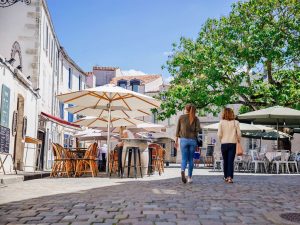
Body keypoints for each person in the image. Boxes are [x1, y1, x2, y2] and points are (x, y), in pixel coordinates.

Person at [175, 103, 200, 184]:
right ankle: (189, 178)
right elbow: (198, 131)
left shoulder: (181, 117)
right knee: (191, 160)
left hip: (183, 140)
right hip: (193, 140)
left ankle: (182, 170)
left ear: (185, 109)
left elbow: (177, 130)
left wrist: (176, 141)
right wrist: (196, 142)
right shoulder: (195, 118)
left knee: (184, 159)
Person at [217, 107, 241, 184]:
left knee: (225, 161)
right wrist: (238, 140)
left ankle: (225, 176)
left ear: (224, 114)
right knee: (230, 161)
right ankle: (229, 177)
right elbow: (239, 134)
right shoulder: (236, 122)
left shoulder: (221, 122)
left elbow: (219, 134)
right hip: (232, 144)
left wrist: (221, 140)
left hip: (224, 143)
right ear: (232, 114)